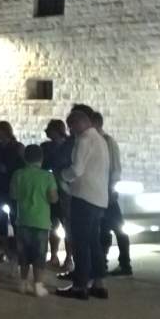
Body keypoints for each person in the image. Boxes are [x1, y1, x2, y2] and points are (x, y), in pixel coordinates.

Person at [55, 104, 110, 301]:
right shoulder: (100, 140)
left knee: (81, 243)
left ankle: (80, 286)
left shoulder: (84, 140)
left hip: (83, 197)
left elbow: (77, 169)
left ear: (79, 123)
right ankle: (99, 283)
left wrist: (62, 175)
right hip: (99, 198)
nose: (71, 132)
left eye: (71, 127)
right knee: (94, 242)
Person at [12, 144, 59, 297]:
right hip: (41, 221)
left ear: (25, 158)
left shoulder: (18, 174)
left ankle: (23, 282)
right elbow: (53, 198)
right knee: (39, 254)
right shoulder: (47, 176)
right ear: (41, 158)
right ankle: (38, 285)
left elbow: (14, 195)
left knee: (23, 254)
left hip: (23, 219)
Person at [94, 112, 131, 277]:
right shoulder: (98, 141)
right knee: (106, 227)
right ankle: (104, 262)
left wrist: (111, 188)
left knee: (115, 226)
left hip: (107, 190)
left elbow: (115, 167)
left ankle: (123, 263)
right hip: (101, 190)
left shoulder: (108, 142)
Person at [0, 120, 25, 259]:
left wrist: (8, 169)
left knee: (15, 218)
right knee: (1, 218)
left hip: (14, 187)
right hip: (0, 187)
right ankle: (2, 248)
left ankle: (17, 249)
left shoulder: (17, 147)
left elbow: (22, 165)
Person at [41, 119, 72, 270]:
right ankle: (53, 256)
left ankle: (69, 258)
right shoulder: (46, 147)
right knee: (52, 224)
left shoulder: (69, 146)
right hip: (50, 188)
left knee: (67, 226)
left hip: (65, 190)